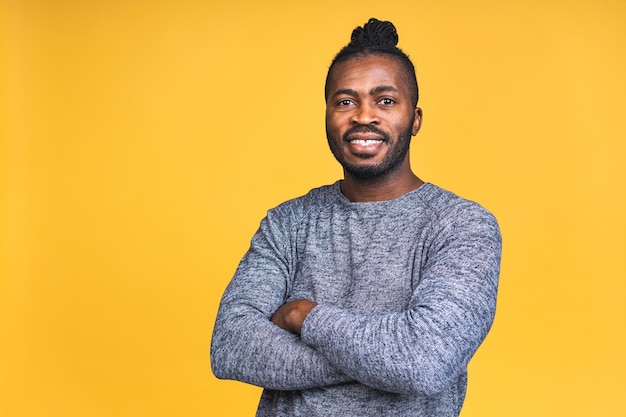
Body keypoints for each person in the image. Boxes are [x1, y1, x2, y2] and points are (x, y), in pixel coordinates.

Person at [211, 18, 502, 417]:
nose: (363, 115)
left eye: (385, 100)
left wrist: (303, 315)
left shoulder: (462, 226)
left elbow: (424, 363)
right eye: (345, 101)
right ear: (328, 116)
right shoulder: (287, 223)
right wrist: (385, 359)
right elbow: (232, 347)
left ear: (415, 119)